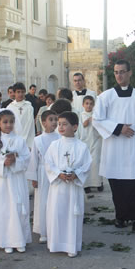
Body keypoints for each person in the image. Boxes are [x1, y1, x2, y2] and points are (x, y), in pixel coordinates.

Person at [93, 59, 135, 232]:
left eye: (122, 71)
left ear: (130, 73)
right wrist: (119, 128)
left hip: (134, 147)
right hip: (114, 148)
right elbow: (97, 120)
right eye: (116, 72)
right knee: (118, 184)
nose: (119, 75)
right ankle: (121, 217)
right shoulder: (105, 97)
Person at [0, 109, 32, 253]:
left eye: (11, 122)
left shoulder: (20, 140)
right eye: (5, 122)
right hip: (1, 181)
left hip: (16, 179)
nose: (8, 125)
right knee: (4, 209)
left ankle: (19, 240)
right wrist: (3, 164)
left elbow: (27, 158)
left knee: (17, 208)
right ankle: (5, 241)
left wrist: (16, 160)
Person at [44, 111, 92, 258]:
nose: (61, 127)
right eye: (59, 124)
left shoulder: (81, 146)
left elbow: (87, 164)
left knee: (72, 215)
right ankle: (55, 244)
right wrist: (59, 173)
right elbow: (48, 163)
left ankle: (72, 245)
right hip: (58, 187)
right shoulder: (54, 145)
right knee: (57, 214)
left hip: (73, 188)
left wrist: (76, 174)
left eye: (65, 124)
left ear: (75, 126)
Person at [26, 110, 60, 244]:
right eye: (51, 120)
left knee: (55, 200)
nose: (54, 122)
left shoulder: (59, 138)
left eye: (55, 120)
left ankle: (55, 229)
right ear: (43, 122)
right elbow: (33, 159)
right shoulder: (37, 139)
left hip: (56, 172)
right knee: (43, 201)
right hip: (42, 172)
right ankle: (44, 231)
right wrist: (33, 177)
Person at [80, 96, 103, 193]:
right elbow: (83, 125)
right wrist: (88, 120)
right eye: (87, 103)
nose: (88, 106)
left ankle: (98, 183)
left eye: (91, 104)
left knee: (96, 163)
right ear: (83, 105)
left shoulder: (96, 114)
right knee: (86, 163)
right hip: (85, 141)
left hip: (96, 140)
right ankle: (87, 185)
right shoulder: (81, 114)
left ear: (93, 105)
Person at [7, 82, 36, 147]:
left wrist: (23, 139)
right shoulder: (10, 108)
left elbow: (30, 124)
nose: (20, 94)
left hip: (28, 139)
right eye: (18, 92)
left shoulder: (29, 107)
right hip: (14, 139)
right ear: (14, 93)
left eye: (22, 92)